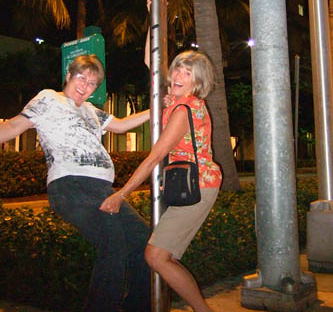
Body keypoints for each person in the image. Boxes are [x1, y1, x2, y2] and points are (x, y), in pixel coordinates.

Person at [0, 54, 151, 312]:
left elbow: (123, 126)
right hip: (72, 185)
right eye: (81, 78)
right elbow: (14, 126)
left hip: (101, 189)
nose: (85, 86)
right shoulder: (49, 98)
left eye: (92, 83)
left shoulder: (91, 111)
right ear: (68, 76)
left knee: (143, 240)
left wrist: (157, 108)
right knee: (113, 245)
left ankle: (137, 306)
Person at [100, 50, 222, 312]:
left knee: (156, 256)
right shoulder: (181, 104)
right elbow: (151, 61)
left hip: (198, 185)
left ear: (197, 81)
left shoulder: (183, 109)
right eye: (177, 68)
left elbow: (154, 157)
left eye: (187, 73)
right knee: (160, 255)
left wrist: (121, 194)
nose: (177, 74)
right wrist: (150, 11)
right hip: (190, 185)